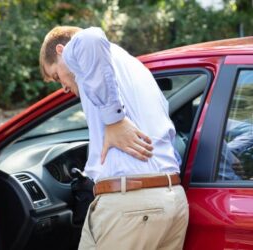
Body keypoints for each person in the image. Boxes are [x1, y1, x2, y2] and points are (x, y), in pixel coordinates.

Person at [39, 26, 189, 249]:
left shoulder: (79, 49)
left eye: (56, 75)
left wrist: (114, 119)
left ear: (62, 51)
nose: (63, 87)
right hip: (172, 200)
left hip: (133, 205)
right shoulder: (136, 69)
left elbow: (91, 37)